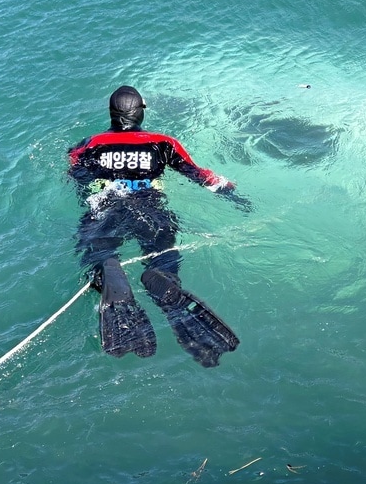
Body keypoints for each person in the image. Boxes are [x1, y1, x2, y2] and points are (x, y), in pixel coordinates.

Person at [67, 86, 246, 367]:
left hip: (106, 205)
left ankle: (107, 271)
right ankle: (162, 276)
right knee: (164, 257)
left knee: (97, 255)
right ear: (140, 112)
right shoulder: (163, 143)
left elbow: (75, 173)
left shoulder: (90, 144)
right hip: (148, 207)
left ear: (112, 114)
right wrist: (230, 192)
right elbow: (198, 175)